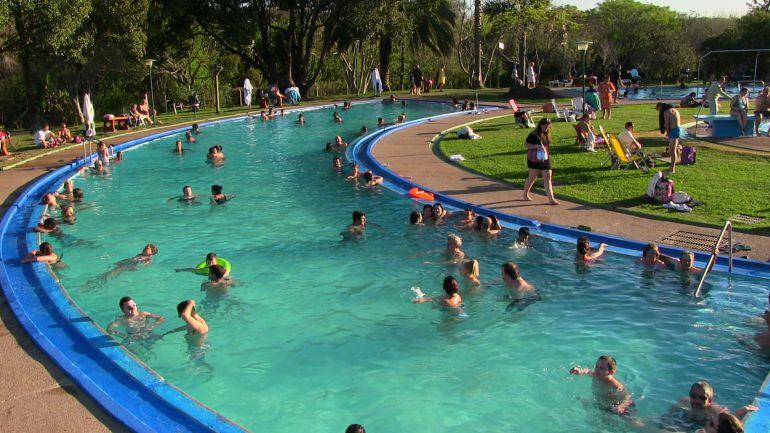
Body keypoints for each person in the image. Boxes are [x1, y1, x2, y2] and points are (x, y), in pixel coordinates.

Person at [569, 355, 635, 415]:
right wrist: (579, 371)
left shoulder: (615, 385)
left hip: (614, 406)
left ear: (611, 372)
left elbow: (628, 397)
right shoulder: (595, 374)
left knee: (627, 418)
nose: (597, 370)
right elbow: (587, 371)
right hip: (601, 401)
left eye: (601, 368)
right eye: (596, 366)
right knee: (581, 400)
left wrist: (621, 407)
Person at [522, 118, 559, 205]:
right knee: (532, 177)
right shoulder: (533, 134)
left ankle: (551, 198)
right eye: (545, 125)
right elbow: (526, 145)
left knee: (548, 177)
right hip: (534, 158)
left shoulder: (547, 134)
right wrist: (536, 146)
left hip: (545, 158)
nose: (547, 126)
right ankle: (525, 194)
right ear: (541, 125)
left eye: (548, 125)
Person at [657, 102, 682, 173]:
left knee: (672, 151)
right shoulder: (674, 110)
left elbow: (667, 124)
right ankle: (672, 167)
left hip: (673, 131)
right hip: (678, 129)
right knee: (673, 148)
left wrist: (667, 132)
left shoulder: (666, 112)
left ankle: (672, 168)